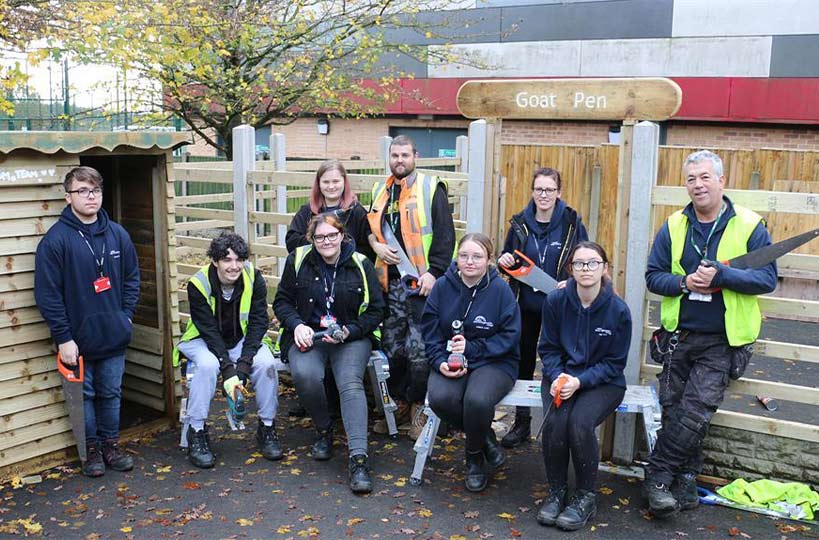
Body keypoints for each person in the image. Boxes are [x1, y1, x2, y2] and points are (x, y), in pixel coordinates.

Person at [642, 150, 777, 518]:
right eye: (691, 179)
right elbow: (653, 276)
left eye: (704, 177)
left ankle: (656, 475)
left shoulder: (749, 225)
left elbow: (766, 279)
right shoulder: (673, 226)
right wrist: (685, 282)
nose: (698, 185)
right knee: (674, 411)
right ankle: (684, 479)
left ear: (721, 180)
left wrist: (723, 275)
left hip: (723, 339)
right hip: (678, 335)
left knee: (694, 411)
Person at [34, 166, 140, 478]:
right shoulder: (56, 242)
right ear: (68, 197)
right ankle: (90, 451)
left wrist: (126, 317)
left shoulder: (117, 234)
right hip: (76, 341)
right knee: (86, 396)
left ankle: (111, 445)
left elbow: (132, 278)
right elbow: (48, 294)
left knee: (111, 393)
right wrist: (64, 337)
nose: (90, 196)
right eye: (82, 191)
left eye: (95, 190)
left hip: (113, 335)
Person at [273, 214, 385, 494]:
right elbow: (282, 302)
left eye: (331, 236)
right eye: (319, 237)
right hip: (310, 335)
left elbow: (377, 311)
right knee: (305, 374)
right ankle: (325, 430)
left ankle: (359, 459)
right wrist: (296, 325)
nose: (326, 242)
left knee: (349, 383)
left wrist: (353, 330)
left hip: (350, 337)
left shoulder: (361, 263)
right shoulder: (297, 261)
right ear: (312, 239)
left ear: (342, 236)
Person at [536, 241, 631, 531]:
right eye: (579, 263)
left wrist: (580, 381)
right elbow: (548, 348)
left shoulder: (618, 311)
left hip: (603, 382)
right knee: (555, 422)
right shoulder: (556, 301)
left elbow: (615, 363)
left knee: (579, 422)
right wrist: (558, 377)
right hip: (562, 377)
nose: (586, 269)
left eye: (592, 263)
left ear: (604, 268)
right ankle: (557, 491)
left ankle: (585, 496)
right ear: (571, 269)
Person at [367, 135, 455, 439]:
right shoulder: (380, 190)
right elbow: (370, 231)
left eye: (405, 154)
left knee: (421, 350)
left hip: (423, 285)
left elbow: (445, 235)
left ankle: (420, 406)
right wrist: (375, 246)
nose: (399, 160)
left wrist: (434, 272)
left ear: (415, 156)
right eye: (395, 155)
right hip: (389, 285)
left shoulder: (431, 188)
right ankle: (401, 401)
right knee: (393, 348)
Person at [421, 233, 520, 492]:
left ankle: (474, 458)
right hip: (451, 357)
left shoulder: (501, 290)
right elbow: (430, 331)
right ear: (457, 258)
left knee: (476, 400)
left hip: (494, 360)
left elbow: (509, 336)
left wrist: (473, 348)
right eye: (464, 255)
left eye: (477, 256)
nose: (470, 261)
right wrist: (439, 360)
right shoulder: (443, 286)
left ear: (489, 259)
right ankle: (485, 438)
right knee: (440, 397)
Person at [173, 233, 281, 469]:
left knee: (266, 364)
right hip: (204, 339)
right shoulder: (198, 284)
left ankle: (267, 427)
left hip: (241, 339)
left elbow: (258, 322)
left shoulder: (254, 278)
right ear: (215, 261)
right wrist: (227, 367)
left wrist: (243, 364)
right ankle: (197, 431)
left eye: (239, 260)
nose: (234, 266)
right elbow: (208, 330)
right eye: (227, 260)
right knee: (207, 366)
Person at [497, 167, 588, 448]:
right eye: (539, 189)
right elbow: (507, 256)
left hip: (560, 307)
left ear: (559, 192)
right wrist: (504, 261)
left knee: (559, 364)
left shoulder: (572, 223)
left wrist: (570, 280)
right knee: (523, 363)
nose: (544, 195)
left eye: (550, 190)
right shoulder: (519, 223)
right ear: (532, 192)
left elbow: (585, 259)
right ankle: (522, 423)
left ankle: (556, 425)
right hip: (525, 306)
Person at [286, 159, 374, 261]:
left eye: (336, 181)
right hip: (314, 270)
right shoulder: (307, 211)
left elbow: (368, 250)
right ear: (319, 184)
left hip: (347, 272)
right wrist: (319, 244)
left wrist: (342, 251)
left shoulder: (356, 212)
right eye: (326, 182)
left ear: (344, 182)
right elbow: (292, 241)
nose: (331, 186)